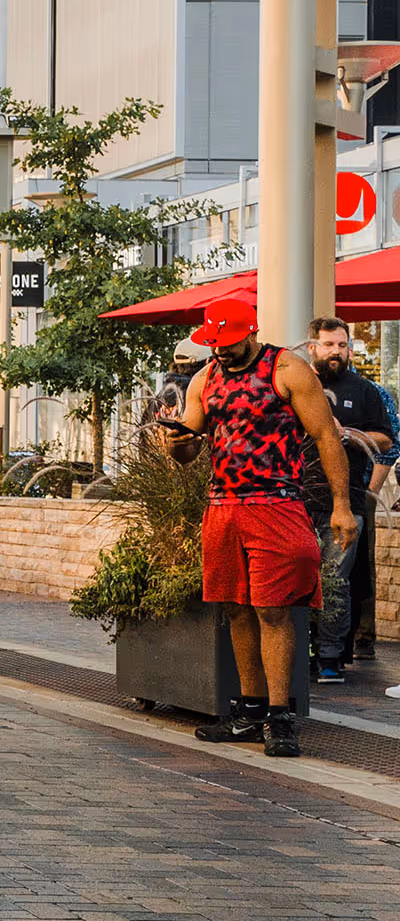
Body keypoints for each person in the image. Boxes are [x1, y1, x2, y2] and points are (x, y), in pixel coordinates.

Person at [176, 293, 357, 755]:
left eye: (229, 342)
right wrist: (174, 439)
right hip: (222, 506)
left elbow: (325, 437)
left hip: (276, 504)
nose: (220, 350)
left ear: (251, 332)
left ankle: (280, 718)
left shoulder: (288, 370)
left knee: (273, 610)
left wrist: (341, 504)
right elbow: (187, 451)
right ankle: (250, 714)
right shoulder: (205, 377)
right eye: (214, 342)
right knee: (235, 606)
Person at [302, 315, 394, 682]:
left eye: (342, 345)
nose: (336, 352)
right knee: (299, 580)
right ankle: (300, 654)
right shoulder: (297, 385)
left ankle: (329, 658)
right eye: (328, 345)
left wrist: (351, 434)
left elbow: (386, 441)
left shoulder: (365, 390)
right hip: (298, 500)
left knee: (336, 582)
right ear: (313, 347)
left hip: (348, 502)